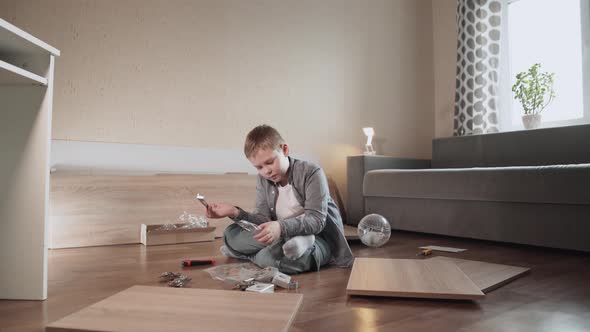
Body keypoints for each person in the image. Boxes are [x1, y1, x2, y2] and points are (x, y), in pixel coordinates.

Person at [206, 124, 354, 274]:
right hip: (282, 235)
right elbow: (262, 219)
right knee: (230, 234)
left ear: (284, 150)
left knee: (269, 259)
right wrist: (234, 212)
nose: (266, 171)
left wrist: (280, 227)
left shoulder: (312, 172)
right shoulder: (263, 179)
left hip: (319, 237)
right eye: (259, 167)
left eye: (270, 162)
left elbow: (316, 221)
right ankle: (280, 245)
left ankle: (247, 253)